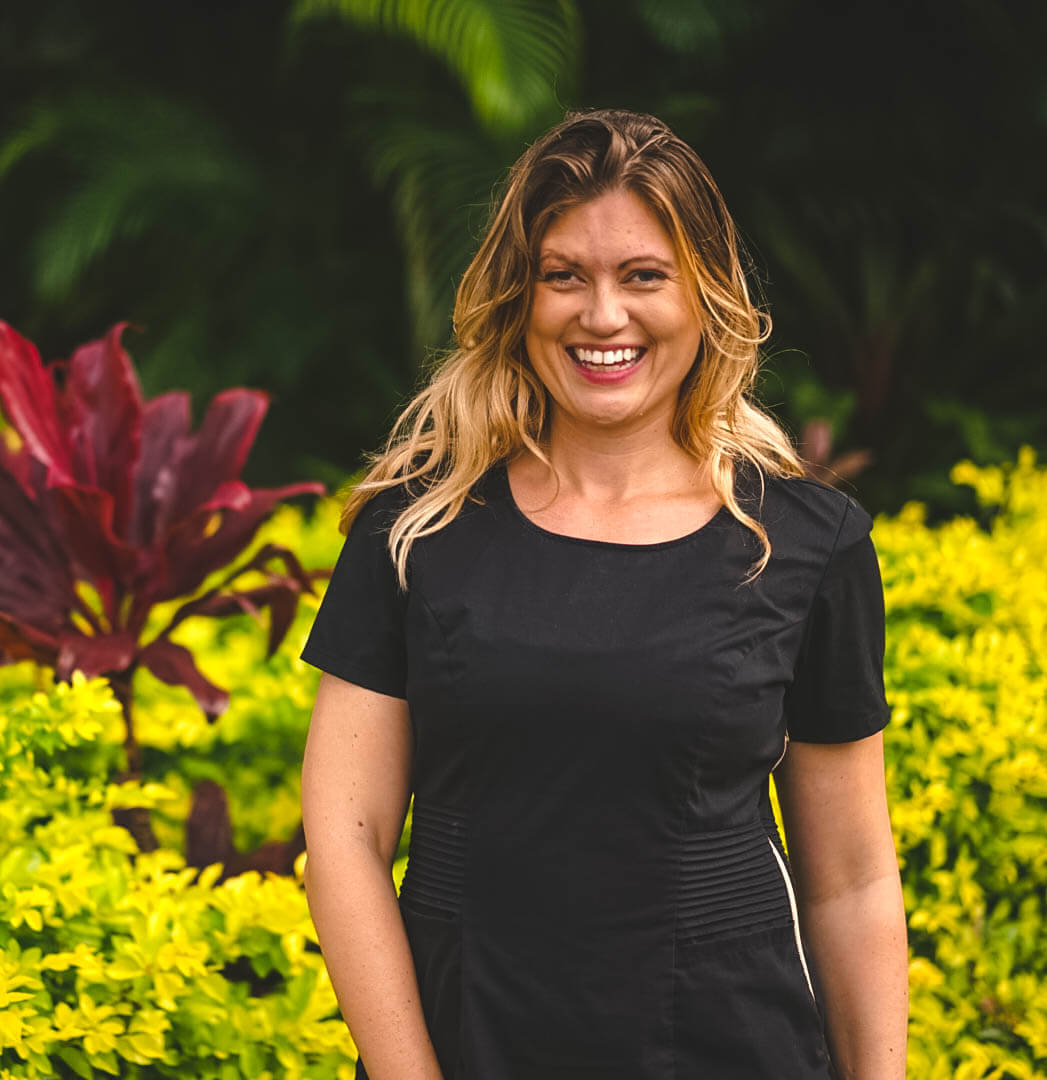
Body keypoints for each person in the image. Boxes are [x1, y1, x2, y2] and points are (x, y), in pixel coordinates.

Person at [297, 108, 908, 1079]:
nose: (602, 316)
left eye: (642, 277)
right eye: (564, 276)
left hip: (732, 1047)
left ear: (704, 296)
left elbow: (850, 881)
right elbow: (343, 837)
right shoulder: (415, 528)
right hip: (471, 1040)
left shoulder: (803, 544)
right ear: (519, 295)